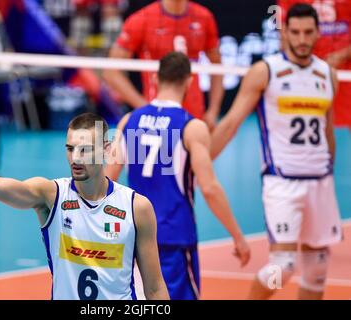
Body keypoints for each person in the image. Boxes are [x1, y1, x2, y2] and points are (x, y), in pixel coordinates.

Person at [0, 113, 169, 300]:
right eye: (70, 149)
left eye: (85, 149)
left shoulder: (136, 207)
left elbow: (155, 287)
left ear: (105, 150)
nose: (76, 158)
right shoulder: (51, 195)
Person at [211, 4, 343, 300]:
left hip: (320, 180)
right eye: (295, 32)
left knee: (317, 270)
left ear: (318, 33)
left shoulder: (327, 74)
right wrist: (201, 163)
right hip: (283, 181)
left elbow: (328, 129)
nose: (302, 39)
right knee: (282, 268)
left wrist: (328, 171)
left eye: (308, 32)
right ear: (285, 33)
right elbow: (231, 121)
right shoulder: (265, 71)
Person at [105, 52, 250, 300]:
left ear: (154, 79)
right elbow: (210, 188)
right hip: (173, 236)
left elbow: (106, 182)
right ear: (189, 82)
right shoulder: (191, 127)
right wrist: (237, 235)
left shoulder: (129, 121)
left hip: (134, 234)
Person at [103, 0, 224, 128]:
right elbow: (111, 72)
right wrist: (144, 107)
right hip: (157, 119)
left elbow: (217, 66)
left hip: (193, 116)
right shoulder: (142, 19)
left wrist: (213, 111)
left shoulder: (204, 17)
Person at [278, 0, 351, 128]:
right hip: (304, 73)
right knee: (304, 120)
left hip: (346, 73)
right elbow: (284, 33)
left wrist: (342, 55)